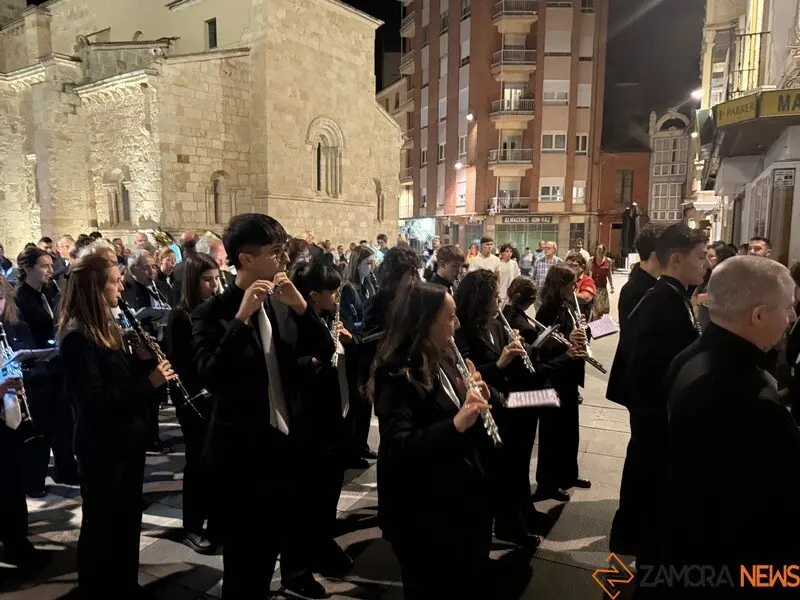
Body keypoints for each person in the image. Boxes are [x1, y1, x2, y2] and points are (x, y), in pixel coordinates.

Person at [191, 213, 327, 599]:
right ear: (246, 259)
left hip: (285, 445)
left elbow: (323, 348)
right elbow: (210, 376)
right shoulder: (211, 313)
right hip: (242, 456)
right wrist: (240, 319)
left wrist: (302, 308)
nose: (284, 259)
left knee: (277, 544)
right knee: (245, 563)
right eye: (275, 252)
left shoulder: (282, 303)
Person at [657, 256, 800, 590]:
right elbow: (773, 506)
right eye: (787, 307)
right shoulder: (750, 396)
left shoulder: (690, 355)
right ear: (759, 315)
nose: (792, 317)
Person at [370, 280, 498, 600]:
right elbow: (398, 447)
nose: (458, 324)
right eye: (450, 317)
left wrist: (478, 399)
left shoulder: (443, 356)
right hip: (421, 512)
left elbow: (459, 418)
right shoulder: (396, 372)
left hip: (456, 499)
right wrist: (457, 423)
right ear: (426, 321)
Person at [58, 254, 175, 598]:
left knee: (126, 521)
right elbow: (96, 401)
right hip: (102, 446)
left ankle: (124, 584)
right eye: (115, 281)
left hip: (127, 439)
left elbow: (119, 380)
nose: (122, 287)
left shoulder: (109, 327)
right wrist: (149, 382)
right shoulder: (77, 336)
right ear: (96, 287)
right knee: (101, 526)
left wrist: (141, 362)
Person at [613, 223, 707, 561]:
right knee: (648, 483)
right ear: (677, 259)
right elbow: (644, 369)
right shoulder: (662, 301)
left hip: (657, 415)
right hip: (655, 417)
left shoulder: (672, 295)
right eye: (701, 257)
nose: (706, 265)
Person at [455, 270, 560, 547]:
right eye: (493, 296)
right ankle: (508, 524)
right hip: (490, 405)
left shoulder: (496, 322)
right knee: (502, 470)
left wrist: (522, 346)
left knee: (518, 460)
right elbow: (467, 373)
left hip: (511, 399)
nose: (499, 300)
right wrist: (500, 362)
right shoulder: (463, 329)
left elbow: (515, 359)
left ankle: (523, 512)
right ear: (480, 299)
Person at [291, 262, 354, 577]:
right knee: (316, 492)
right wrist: (315, 361)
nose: (337, 297)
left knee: (330, 488)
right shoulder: (300, 322)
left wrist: (345, 341)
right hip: (313, 418)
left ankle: (324, 540)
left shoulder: (326, 317)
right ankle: (314, 550)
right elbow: (293, 364)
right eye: (332, 292)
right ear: (314, 296)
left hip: (333, 414)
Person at [165, 253, 220, 555]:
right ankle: (192, 526)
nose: (214, 285)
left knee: (215, 463)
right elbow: (181, 364)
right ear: (193, 281)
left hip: (215, 396)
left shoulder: (214, 308)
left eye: (216, 279)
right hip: (195, 399)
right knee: (198, 463)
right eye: (207, 280)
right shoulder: (180, 316)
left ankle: (216, 520)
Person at [16, 247, 78, 495]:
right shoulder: (19, 298)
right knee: (41, 428)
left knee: (64, 422)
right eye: (44, 266)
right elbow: (22, 335)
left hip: (57, 365)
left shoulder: (51, 291)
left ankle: (66, 469)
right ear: (27, 268)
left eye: (51, 265)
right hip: (37, 370)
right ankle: (34, 481)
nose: (50, 271)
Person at [0, 274, 48, 571]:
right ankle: (16, 545)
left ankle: (18, 541)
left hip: (10, 419)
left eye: (0, 298)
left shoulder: (6, 329)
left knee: (13, 485)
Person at [535, 265, 592, 502]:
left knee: (570, 429)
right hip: (554, 375)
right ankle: (547, 484)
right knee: (552, 433)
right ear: (560, 286)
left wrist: (583, 329)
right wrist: (569, 338)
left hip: (569, 374)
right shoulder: (547, 310)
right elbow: (542, 346)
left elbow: (576, 334)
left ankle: (568, 475)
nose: (574, 287)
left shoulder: (568, 304)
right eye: (571, 284)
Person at [606, 223, 665, 408]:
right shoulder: (642, 289)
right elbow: (638, 340)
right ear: (656, 254)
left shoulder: (647, 285)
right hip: (641, 381)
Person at [691, 242, 736, 331]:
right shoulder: (706, 274)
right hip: (703, 321)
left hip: (719, 325)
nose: (707, 259)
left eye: (711, 256)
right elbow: (695, 297)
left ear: (721, 257)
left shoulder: (729, 276)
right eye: (706, 256)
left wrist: (708, 297)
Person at [564, 253, 596, 321]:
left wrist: (564, 293)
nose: (568, 268)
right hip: (565, 318)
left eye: (573, 265)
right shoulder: (564, 279)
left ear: (582, 267)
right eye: (567, 265)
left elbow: (586, 298)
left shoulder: (587, 280)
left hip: (581, 320)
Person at [589, 243, 614, 318]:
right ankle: (594, 323)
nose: (599, 250)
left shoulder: (608, 260)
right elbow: (588, 273)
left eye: (601, 249)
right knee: (594, 310)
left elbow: (609, 274)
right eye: (598, 249)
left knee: (600, 311)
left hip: (602, 289)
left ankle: (598, 323)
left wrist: (612, 286)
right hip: (593, 288)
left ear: (604, 251)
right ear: (595, 250)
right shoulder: (591, 260)